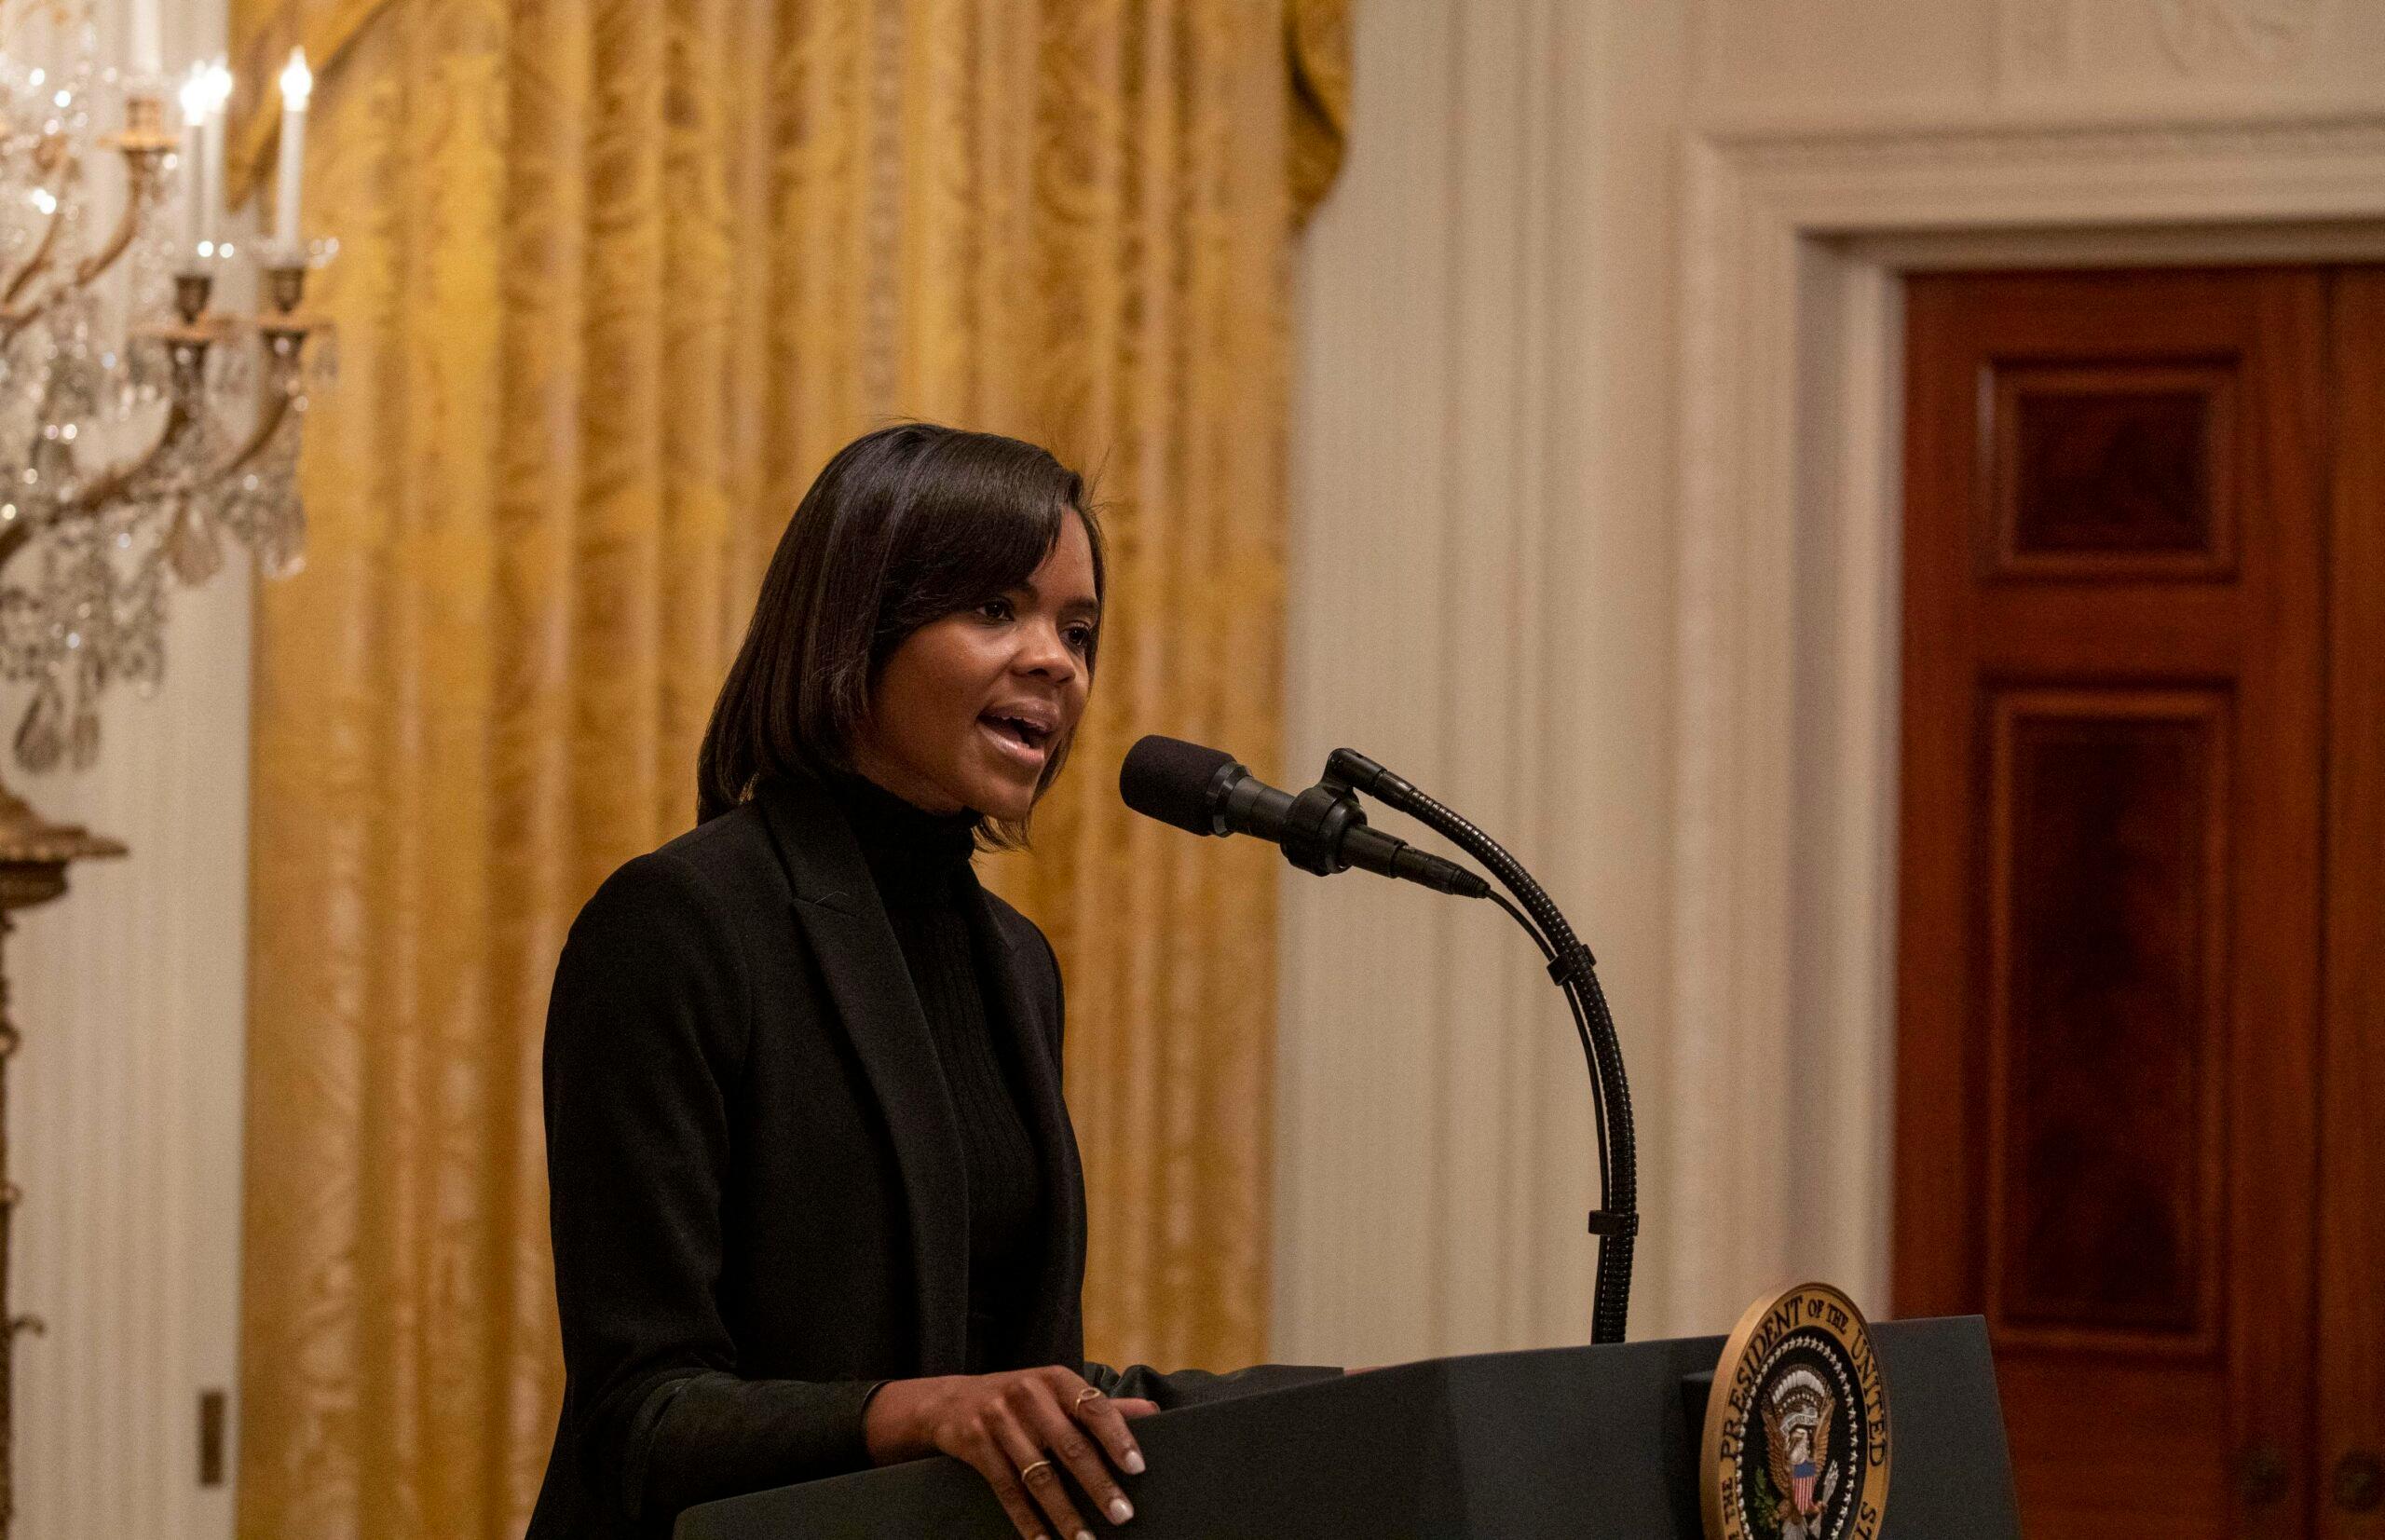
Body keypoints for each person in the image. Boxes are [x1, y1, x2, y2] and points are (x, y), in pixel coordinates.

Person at [526, 424, 1336, 1540]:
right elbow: (643, 1416)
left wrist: (1329, 1403)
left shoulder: (1014, 961)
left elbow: (1000, 1375)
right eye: (996, 610)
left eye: (1078, 629)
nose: (1057, 661)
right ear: (856, 627)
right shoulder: (681, 924)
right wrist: (923, 1414)